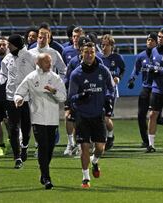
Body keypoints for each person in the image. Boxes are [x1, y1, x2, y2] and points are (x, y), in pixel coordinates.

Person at [14, 53, 66, 190]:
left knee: (49, 149)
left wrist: (54, 91)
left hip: (52, 119)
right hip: (37, 118)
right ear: (39, 63)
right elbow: (19, 92)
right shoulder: (31, 78)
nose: (50, 65)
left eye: (50, 62)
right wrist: (18, 99)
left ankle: (43, 173)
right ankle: (47, 178)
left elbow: (63, 97)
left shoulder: (55, 78)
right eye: (47, 62)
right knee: (42, 147)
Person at [68, 42, 114, 188]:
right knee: (84, 147)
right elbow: (71, 97)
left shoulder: (103, 70)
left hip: (98, 115)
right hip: (82, 116)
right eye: (86, 52)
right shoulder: (76, 74)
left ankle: (95, 161)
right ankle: (85, 178)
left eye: (92, 52)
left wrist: (108, 101)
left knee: (100, 148)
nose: (89, 55)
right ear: (81, 53)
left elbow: (111, 89)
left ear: (95, 53)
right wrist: (81, 96)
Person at [0, 34, 35, 169]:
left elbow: (38, 74)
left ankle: (24, 147)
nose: (8, 47)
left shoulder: (30, 57)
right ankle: (17, 157)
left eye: (10, 44)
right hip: (11, 97)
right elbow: (3, 74)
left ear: (16, 44)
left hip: (27, 97)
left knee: (26, 127)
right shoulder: (7, 58)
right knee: (13, 128)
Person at [128, 33, 163, 148]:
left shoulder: (159, 55)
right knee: (141, 115)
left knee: (156, 118)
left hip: (156, 89)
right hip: (145, 88)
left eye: (152, 40)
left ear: (156, 42)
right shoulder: (141, 56)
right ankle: (145, 141)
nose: (150, 42)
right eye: (148, 40)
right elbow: (136, 70)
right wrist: (132, 79)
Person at [97, 34, 125, 150]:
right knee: (98, 116)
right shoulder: (97, 57)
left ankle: (110, 136)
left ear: (111, 46)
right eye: (102, 45)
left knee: (106, 117)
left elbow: (122, 69)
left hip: (111, 90)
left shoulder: (117, 58)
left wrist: (118, 77)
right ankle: (100, 138)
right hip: (98, 90)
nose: (103, 47)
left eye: (106, 45)